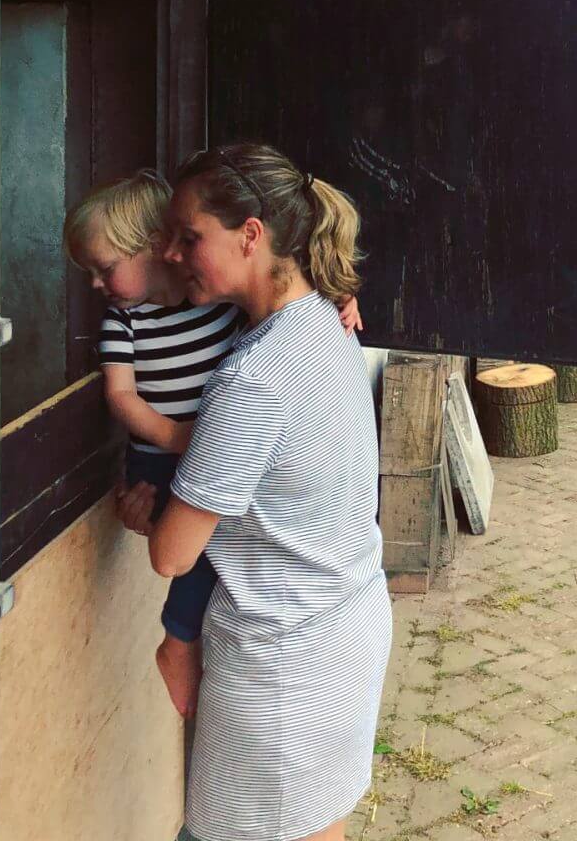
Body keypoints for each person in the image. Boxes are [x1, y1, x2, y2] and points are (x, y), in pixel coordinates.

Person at [136, 142, 391, 841]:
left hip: (281, 671)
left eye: (191, 237)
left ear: (251, 235)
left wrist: (151, 505)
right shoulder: (325, 325)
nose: (174, 254)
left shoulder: (253, 381)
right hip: (346, 629)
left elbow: (172, 554)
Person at [63, 169, 361, 720]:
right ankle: (179, 641)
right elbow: (121, 399)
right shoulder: (124, 323)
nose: (96, 286)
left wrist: (344, 296)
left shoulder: (226, 309)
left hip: (219, 454)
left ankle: (182, 644)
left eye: (105, 269)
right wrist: (184, 440)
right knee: (191, 556)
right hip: (165, 451)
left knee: (205, 546)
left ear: (153, 248)